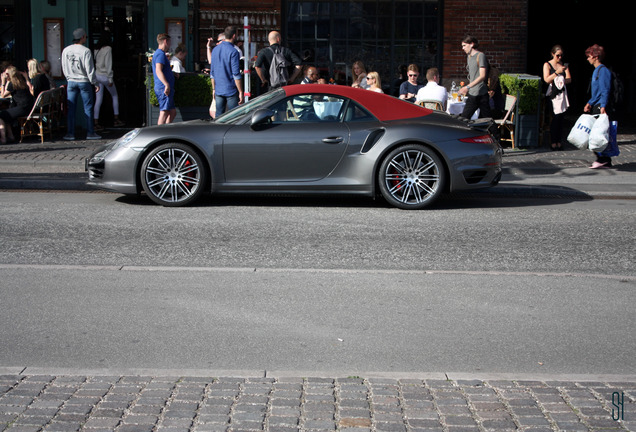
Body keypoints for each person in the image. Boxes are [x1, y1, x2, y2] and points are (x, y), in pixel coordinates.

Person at [61, 28, 101, 140]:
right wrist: (95, 82)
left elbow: (64, 66)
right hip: (84, 81)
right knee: (88, 108)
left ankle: (70, 133)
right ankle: (90, 132)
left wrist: (68, 77)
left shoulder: (66, 50)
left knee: (71, 109)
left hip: (71, 81)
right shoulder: (86, 51)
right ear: (82, 37)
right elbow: (89, 69)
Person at [584, 44, 613, 169]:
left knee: (598, 134)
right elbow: (596, 91)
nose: (587, 58)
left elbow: (604, 90)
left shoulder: (603, 71)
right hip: (596, 104)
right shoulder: (597, 70)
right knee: (595, 133)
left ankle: (604, 159)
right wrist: (590, 102)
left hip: (600, 106)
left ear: (595, 56)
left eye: (589, 56)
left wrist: (603, 106)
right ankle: (603, 158)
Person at [209, 26, 243, 116]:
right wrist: (240, 92)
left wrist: (213, 89)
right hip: (230, 89)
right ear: (234, 36)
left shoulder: (215, 50)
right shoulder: (233, 51)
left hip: (218, 89)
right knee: (233, 116)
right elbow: (236, 74)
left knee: (219, 116)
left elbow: (212, 73)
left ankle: (217, 130)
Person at [543, 45, 571, 151]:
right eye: (557, 55)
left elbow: (569, 79)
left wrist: (562, 79)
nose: (559, 58)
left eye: (561, 55)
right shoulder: (548, 65)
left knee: (561, 118)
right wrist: (556, 73)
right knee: (555, 118)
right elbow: (546, 79)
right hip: (553, 94)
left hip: (562, 94)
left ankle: (559, 141)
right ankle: (553, 141)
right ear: (552, 54)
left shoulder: (563, 65)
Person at [93, 33, 124, 130]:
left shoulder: (96, 49)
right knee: (114, 96)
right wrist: (110, 78)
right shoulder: (108, 49)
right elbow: (108, 64)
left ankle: (95, 122)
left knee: (98, 99)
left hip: (97, 75)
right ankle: (116, 119)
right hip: (105, 76)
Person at [458, 35, 491, 119]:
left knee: (486, 120)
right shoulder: (469, 57)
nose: (463, 48)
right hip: (473, 93)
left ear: (471, 44)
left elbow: (482, 75)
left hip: (480, 93)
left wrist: (467, 87)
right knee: (465, 118)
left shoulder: (480, 56)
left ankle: (495, 132)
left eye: (464, 45)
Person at [0, 65, 34, 143]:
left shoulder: (12, 84)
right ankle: (11, 136)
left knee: (1, 114)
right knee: (7, 114)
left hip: (22, 108)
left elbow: (3, 95)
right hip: (28, 107)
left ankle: (3, 138)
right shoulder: (21, 81)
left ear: (8, 74)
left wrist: (3, 82)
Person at [152, 33, 176, 125]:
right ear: (165, 41)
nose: (170, 45)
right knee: (164, 112)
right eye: (170, 42)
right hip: (163, 87)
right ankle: (159, 134)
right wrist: (166, 84)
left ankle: (166, 131)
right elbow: (158, 70)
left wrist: (172, 74)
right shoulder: (160, 54)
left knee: (172, 112)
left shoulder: (161, 54)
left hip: (164, 87)